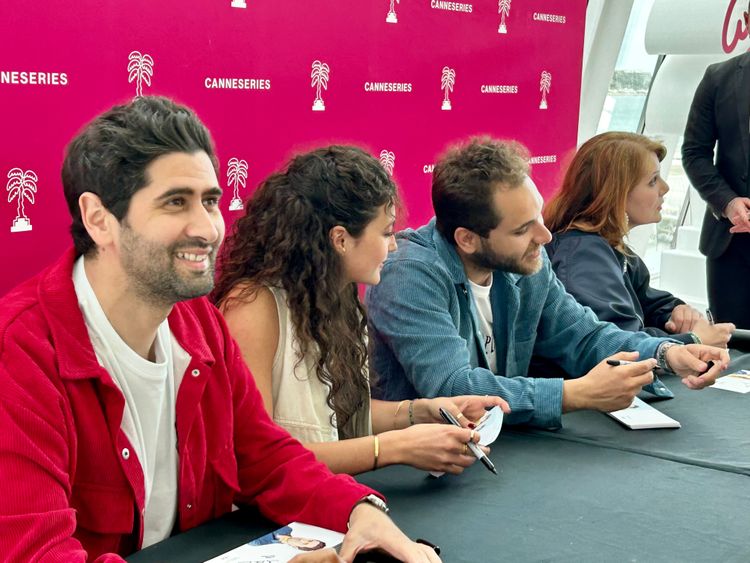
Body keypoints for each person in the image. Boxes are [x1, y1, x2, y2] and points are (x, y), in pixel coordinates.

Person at [0, 96, 440, 563]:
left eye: (209, 201)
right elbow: (38, 553)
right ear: (98, 219)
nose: (208, 228)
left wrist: (358, 510)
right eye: (175, 202)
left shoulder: (200, 323)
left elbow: (267, 458)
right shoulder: (19, 354)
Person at [365, 137, 729, 429]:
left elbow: (585, 336)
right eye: (523, 229)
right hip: (414, 467)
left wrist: (667, 353)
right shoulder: (409, 274)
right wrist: (577, 394)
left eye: (538, 216)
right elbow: (454, 388)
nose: (545, 236)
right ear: (468, 239)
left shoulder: (525, 262)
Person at [212, 145, 509, 476]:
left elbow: (337, 418)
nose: (393, 245)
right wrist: (395, 447)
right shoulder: (253, 308)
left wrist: (424, 411)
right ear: (340, 239)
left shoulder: (334, 295)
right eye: (386, 233)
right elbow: (257, 458)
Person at [544, 132, 734, 348]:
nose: (665, 188)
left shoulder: (604, 246)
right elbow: (618, 343)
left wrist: (676, 311)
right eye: (653, 181)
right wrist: (693, 340)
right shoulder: (585, 255)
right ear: (616, 193)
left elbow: (648, 300)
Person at [683, 6, 750, 328]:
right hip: (731, 245)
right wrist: (728, 202)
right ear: (747, 22)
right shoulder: (718, 77)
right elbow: (694, 153)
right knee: (730, 342)